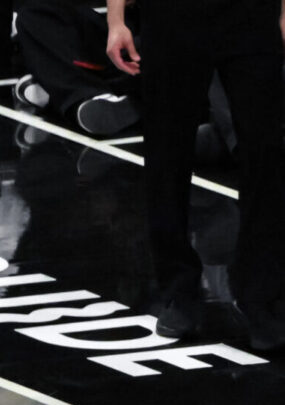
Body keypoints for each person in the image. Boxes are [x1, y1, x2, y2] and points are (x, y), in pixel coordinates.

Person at [107, 0, 285, 348]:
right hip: (172, 14)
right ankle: (178, 292)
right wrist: (116, 19)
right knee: (167, 154)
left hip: (251, 15)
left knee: (265, 152)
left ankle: (262, 297)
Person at [15, 0, 139, 135]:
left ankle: (62, 93)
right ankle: (71, 91)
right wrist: (116, 24)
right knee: (34, 12)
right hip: (120, 32)